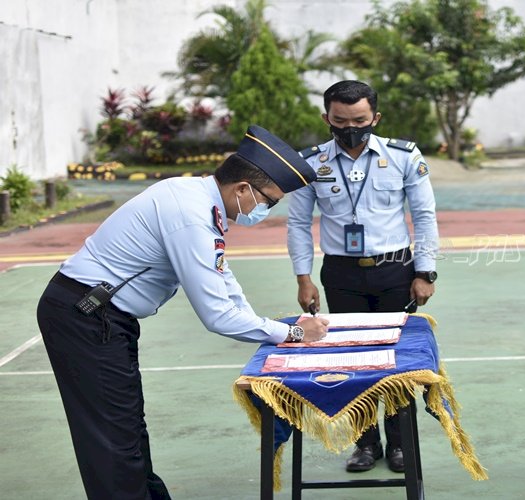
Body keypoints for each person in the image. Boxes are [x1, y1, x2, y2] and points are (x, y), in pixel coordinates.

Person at [35, 125, 331, 499]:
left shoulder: (196, 198)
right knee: (112, 436)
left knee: (126, 428)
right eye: (268, 200)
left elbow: (222, 276)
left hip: (102, 317)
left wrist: (280, 326)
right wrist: (292, 334)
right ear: (242, 189)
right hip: (87, 316)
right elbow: (217, 314)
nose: (267, 209)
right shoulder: (190, 214)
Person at [287, 80, 440, 473]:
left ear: (375, 117)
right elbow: (298, 224)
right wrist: (304, 278)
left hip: (395, 271)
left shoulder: (404, 156)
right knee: (353, 361)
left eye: (359, 119)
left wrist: (425, 271)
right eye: (340, 120)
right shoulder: (311, 162)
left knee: (396, 361)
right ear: (327, 118)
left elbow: (424, 216)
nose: (350, 127)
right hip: (340, 275)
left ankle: (402, 444)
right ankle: (366, 444)